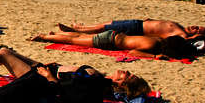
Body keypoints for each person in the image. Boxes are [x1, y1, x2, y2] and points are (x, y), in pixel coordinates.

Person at [0, 47, 151, 103]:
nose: (124, 70)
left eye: (126, 74)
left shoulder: (96, 80)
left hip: (41, 78)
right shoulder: (99, 79)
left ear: (121, 83)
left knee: (4, 52)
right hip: (48, 70)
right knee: (10, 53)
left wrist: (48, 75)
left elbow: (64, 91)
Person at [31, 30, 193, 60]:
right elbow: (134, 53)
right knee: (75, 40)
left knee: (81, 36)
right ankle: (44, 37)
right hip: (109, 41)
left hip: (115, 35)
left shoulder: (157, 39)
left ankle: (54, 35)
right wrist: (155, 56)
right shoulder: (153, 47)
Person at [57, 20, 205, 40]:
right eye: (197, 25)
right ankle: (81, 27)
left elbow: (187, 40)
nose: (194, 26)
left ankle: (75, 30)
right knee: (108, 23)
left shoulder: (181, 34)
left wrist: (200, 38)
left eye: (197, 29)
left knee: (104, 28)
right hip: (139, 24)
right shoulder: (182, 28)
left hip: (137, 29)